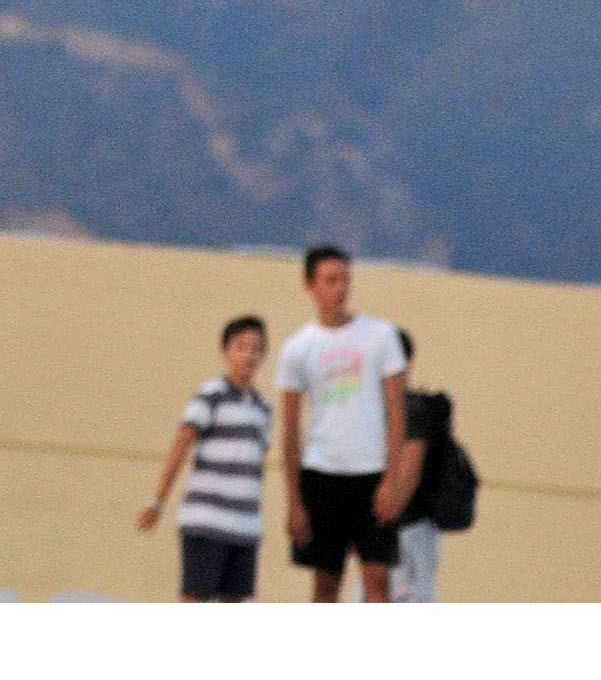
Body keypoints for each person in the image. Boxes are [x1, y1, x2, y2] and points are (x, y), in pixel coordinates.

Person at [276, 244, 411, 603]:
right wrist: (294, 501)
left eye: (345, 280)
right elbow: (290, 429)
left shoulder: (381, 337)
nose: (340, 289)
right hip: (321, 476)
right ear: (311, 286)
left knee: (377, 578)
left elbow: (397, 412)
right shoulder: (297, 348)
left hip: (371, 473)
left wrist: (392, 480)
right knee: (325, 583)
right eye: (330, 280)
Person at [137, 314, 272, 602]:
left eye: (256, 348)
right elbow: (181, 445)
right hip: (206, 523)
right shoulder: (210, 395)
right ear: (225, 352)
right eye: (240, 346)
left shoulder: (263, 409)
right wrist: (157, 500)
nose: (248, 354)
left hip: (244, 528)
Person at [388, 327, 459, 602]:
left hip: (409, 531)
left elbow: (409, 474)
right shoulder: (388, 409)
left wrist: (382, 520)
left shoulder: (412, 410)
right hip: (395, 533)